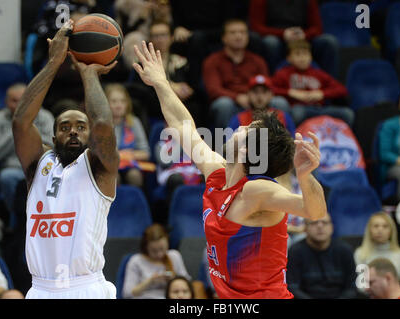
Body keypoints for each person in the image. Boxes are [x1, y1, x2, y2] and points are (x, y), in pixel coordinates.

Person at [133, 40, 327, 298]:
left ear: (248, 151)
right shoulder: (217, 171)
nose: (241, 127)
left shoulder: (257, 190)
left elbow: (314, 211)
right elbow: (182, 124)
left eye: (248, 130)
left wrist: (304, 176)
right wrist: (160, 82)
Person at [12, 20, 119, 299]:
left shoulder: (100, 169)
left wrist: (89, 73)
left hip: (86, 287)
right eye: (64, 126)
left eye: (81, 127)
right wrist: (53, 64)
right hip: (40, 289)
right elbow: (21, 122)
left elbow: (104, 126)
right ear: (53, 135)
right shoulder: (39, 165)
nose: (73, 130)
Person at [203, 19, 291, 129]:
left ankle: (281, 143)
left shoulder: (257, 60)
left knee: (280, 102)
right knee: (223, 104)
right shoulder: (212, 60)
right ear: (223, 38)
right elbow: (213, 90)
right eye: (233, 32)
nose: (238, 36)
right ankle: (226, 144)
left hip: (256, 100)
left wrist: (254, 97)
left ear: (247, 37)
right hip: (231, 103)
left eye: (242, 32)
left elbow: (267, 85)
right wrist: (237, 97)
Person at [0, 83, 54, 229]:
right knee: (6, 177)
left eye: (24, 100)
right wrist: (16, 128)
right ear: (6, 102)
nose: (20, 105)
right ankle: (15, 219)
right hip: (12, 168)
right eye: (14, 101)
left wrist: (29, 129)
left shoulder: (44, 116)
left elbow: (54, 145)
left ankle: (44, 218)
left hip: (40, 167)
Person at [130, 20, 207, 127]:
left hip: (181, 105)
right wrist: (168, 87)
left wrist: (187, 90)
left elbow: (193, 86)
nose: (160, 39)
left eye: (163, 35)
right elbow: (138, 89)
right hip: (155, 105)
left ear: (171, 38)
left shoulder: (182, 61)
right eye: (156, 36)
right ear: (150, 39)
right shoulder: (143, 64)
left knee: (197, 105)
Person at [272, 40, 354, 127]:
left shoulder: (319, 73)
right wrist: (290, 92)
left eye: (306, 54)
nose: (302, 58)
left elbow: (342, 90)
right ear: (289, 58)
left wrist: (322, 93)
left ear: (311, 57)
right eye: (298, 54)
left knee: (348, 114)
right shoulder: (283, 73)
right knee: (297, 113)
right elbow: (270, 89)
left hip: (320, 108)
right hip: (299, 108)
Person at [249, 0, 339, 75]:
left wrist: (304, 35)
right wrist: (283, 34)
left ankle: (328, 82)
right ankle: (272, 83)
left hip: (303, 38)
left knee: (329, 41)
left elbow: (317, 28)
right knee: (270, 42)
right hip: (276, 37)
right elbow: (256, 27)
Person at [286, 213, 358, 299]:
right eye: (314, 223)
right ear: (305, 228)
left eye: (325, 222)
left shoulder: (345, 250)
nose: (320, 226)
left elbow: (352, 286)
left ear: (332, 227)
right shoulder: (295, 252)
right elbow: (292, 287)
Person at [122, 223, 191, 299]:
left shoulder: (174, 256)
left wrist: (173, 279)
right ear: (146, 247)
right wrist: (150, 281)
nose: (159, 254)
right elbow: (127, 293)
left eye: (162, 249)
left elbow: (187, 284)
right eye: (154, 251)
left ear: (168, 243)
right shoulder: (136, 261)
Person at [105, 83, 150, 188]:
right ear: (105, 103)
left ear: (127, 104)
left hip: (130, 165)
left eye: (122, 101)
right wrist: (118, 156)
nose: (119, 105)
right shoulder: (101, 125)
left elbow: (146, 153)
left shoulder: (134, 122)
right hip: (109, 167)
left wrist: (130, 155)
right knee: (114, 177)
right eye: (114, 101)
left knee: (135, 176)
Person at [354, 212, 400, 285]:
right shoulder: (360, 254)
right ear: (369, 230)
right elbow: (361, 284)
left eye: (385, 226)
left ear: (391, 231)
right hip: (369, 295)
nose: (380, 230)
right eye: (376, 226)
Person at [228, 74, 296, 137]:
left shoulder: (283, 117)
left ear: (271, 95)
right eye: (255, 92)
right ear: (248, 94)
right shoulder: (238, 119)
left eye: (264, 92)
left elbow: (293, 144)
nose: (259, 96)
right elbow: (227, 146)